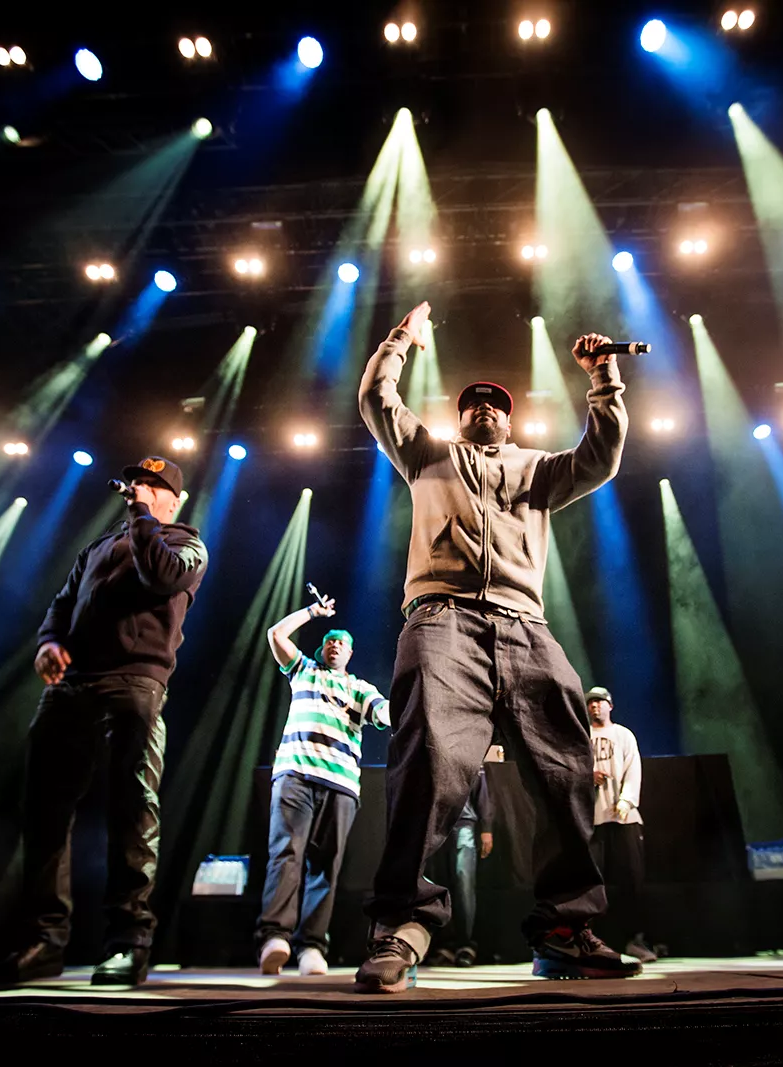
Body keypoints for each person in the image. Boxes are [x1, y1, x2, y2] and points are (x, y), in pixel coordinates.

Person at [354, 299, 641, 992]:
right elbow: (375, 399)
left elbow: (600, 458)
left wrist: (603, 378)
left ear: (510, 420)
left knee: (567, 769)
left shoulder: (537, 468)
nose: (484, 409)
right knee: (429, 765)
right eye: (473, 403)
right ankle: (402, 924)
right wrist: (400, 340)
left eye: (496, 404)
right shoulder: (427, 454)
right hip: (441, 620)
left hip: (525, 626)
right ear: (459, 417)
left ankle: (564, 930)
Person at [0, 457, 207, 987]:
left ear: (174, 500)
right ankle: (43, 941)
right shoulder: (98, 548)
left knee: (132, 810)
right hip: (72, 686)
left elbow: (162, 577)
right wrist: (49, 643)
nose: (140, 489)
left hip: (135, 684)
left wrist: (144, 520)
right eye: (137, 482)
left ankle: (129, 943)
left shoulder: (185, 544)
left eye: (153, 485)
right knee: (44, 813)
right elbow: (62, 604)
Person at [255, 594, 390, 977]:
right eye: (330, 640)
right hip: (295, 774)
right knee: (286, 854)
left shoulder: (360, 688)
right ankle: (274, 938)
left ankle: (312, 945)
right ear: (322, 647)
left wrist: (408, 704)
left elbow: (384, 712)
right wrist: (312, 612)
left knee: (325, 865)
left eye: (342, 643)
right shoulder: (304, 671)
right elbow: (276, 634)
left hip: (341, 783)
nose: (335, 646)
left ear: (350, 653)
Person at [585, 687, 657, 963]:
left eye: (600, 702)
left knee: (631, 879)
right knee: (594, 883)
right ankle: (595, 942)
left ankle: (634, 939)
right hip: (594, 821)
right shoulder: (582, 736)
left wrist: (627, 800)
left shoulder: (623, 735)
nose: (595, 707)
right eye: (591, 703)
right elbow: (572, 770)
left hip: (623, 819)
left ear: (610, 706)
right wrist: (588, 776)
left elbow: (633, 768)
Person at [424, 764, 494, 967]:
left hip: (462, 823)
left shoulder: (470, 751)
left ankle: (465, 944)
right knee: (437, 886)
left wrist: (486, 827)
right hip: (433, 827)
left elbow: (481, 788)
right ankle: (444, 945)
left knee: (463, 883)